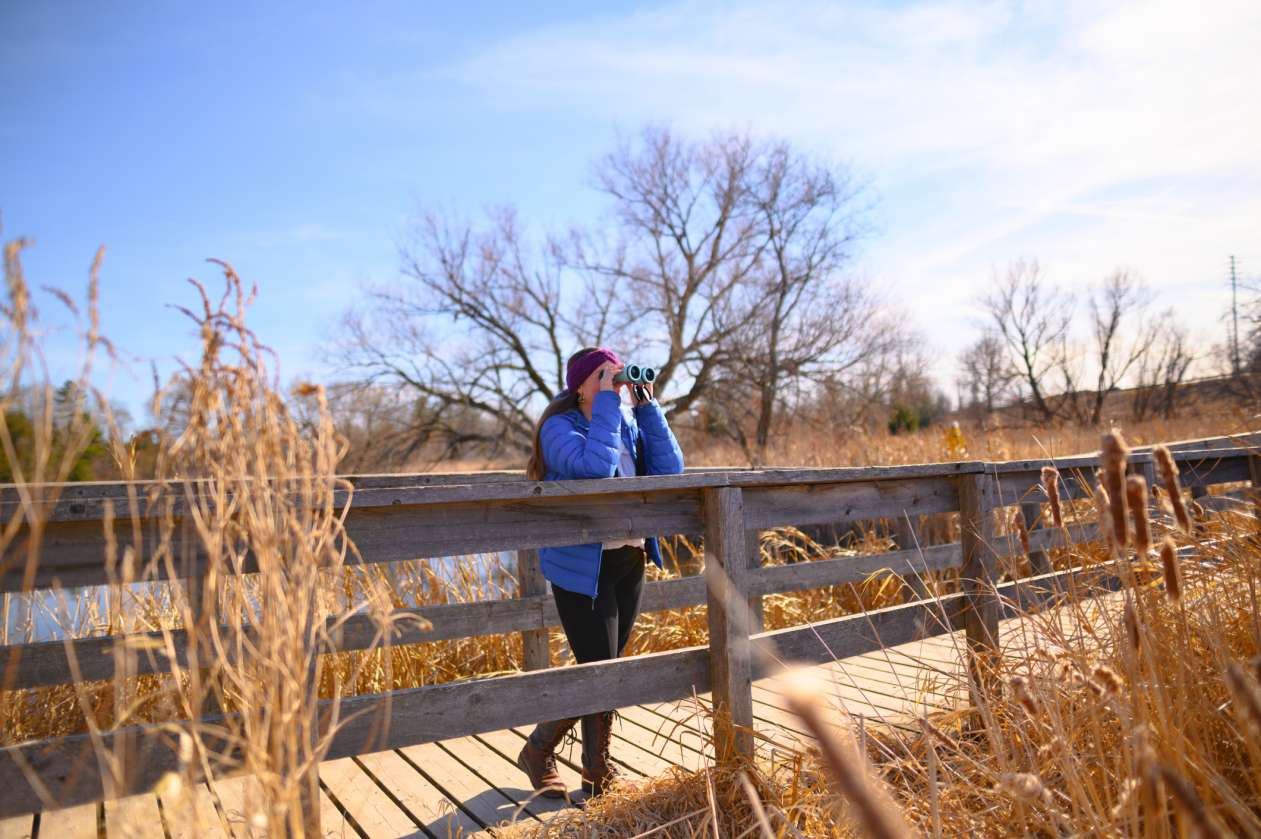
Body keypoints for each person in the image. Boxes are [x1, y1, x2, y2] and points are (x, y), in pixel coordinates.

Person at [516, 346, 685, 798]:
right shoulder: (559, 428)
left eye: (617, 376)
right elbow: (595, 470)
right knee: (599, 668)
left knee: (603, 667)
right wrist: (611, 402)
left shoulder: (626, 421)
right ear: (581, 386)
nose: (614, 384)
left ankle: (542, 751)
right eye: (604, 378)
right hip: (580, 565)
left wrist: (646, 406)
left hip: (628, 558)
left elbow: (671, 470)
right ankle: (596, 777)